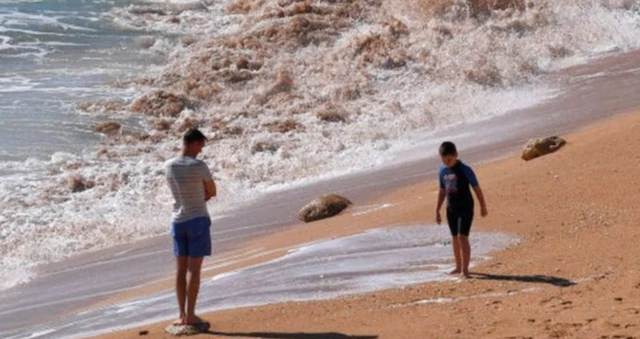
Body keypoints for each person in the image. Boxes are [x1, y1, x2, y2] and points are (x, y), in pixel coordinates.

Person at [164, 128, 216, 326]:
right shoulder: (199, 165)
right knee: (194, 271)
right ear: (194, 143)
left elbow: (177, 191)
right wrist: (204, 195)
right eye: (201, 146)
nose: (201, 150)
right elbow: (212, 190)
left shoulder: (168, 165)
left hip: (178, 221)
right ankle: (191, 315)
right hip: (198, 219)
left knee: (180, 270)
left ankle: (181, 315)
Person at [435, 141, 488, 279]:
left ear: (456, 155)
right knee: (454, 238)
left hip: (465, 207)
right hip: (451, 208)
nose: (446, 162)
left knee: (462, 237)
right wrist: (437, 210)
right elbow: (442, 191)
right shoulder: (442, 170)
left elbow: (476, 188)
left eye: (449, 159)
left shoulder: (465, 169)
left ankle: (465, 270)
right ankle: (458, 266)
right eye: (443, 160)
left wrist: (483, 206)